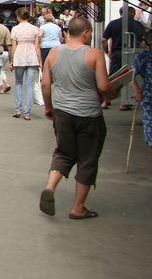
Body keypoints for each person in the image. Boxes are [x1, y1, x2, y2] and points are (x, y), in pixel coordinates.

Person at [39, 17, 114, 220]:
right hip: (89, 114)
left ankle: (50, 186)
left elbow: (45, 84)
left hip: (62, 112)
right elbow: (103, 86)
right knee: (87, 158)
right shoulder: (94, 55)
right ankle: (78, 208)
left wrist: (49, 108)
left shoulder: (53, 53)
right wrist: (113, 93)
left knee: (63, 152)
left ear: (67, 33)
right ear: (86, 33)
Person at [102, 6, 146, 99]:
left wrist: (107, 52)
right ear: (131, 13)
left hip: (116, 53)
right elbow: (143, 41)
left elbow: (103, 40)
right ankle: (126, 102)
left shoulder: (112, 23)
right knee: (131, 77)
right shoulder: (136, 24)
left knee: (114, 78)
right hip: (132, 53)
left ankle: (106, 100)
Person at [9, 7, 42, 120]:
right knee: (29, 85)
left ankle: (18, 109)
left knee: (18, 83)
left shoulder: (15, 29)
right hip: (32, 56)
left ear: (18, 17)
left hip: (19, 56)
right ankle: (27, 112)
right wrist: (40, 61)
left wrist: (12, 61)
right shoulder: (35, 29)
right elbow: (37, 47)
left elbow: (13, 47)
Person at [129, 30, 152, 147]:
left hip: (147, 95)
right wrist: (137, 91)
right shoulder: (143, 57)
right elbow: (131, 76)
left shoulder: (142, 57)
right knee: (150, 127)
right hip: (148, 95)